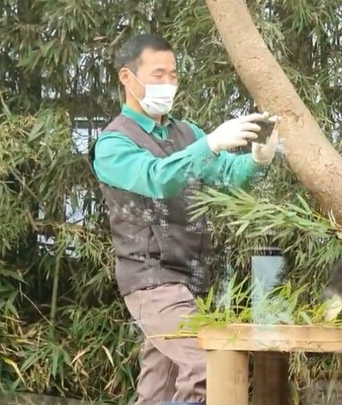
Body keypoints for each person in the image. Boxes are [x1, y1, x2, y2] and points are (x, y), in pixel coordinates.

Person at [88, 33, 279, 405]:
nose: (168, 84)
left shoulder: (186, 132)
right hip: (151, 280)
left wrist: (257, 160)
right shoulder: (112, 144)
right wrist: (208, 145)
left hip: (192, 278)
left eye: (173, 75)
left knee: (159, 386)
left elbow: (224, 175)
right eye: (158, 74)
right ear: (127, 78)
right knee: (209, 360)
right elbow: (157, 177)